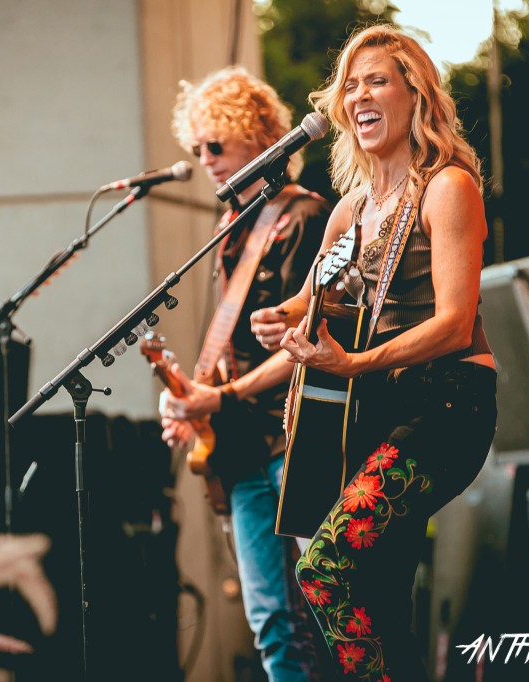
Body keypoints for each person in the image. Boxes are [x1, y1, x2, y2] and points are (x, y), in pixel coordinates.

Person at [249, 25, 498, 681]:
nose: (358, 94)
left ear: (415, 93)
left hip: (447, 406)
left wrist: (353, 363)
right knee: (378, 596)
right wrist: (278, 319)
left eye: (376, 80)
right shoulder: (349, 212)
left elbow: (453, 322)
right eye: (349, 85)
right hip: (376, 412)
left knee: (325, 567)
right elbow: (309, 302)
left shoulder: (448, 187)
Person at [158, 66, 330, 682]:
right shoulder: (230, 229)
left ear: (259, 135)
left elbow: (310, 345)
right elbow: (232, 348)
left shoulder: (304, 218)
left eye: (216, 145)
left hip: (298, 438)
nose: (204, 160)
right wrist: (191, 398)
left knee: (336, 614)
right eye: (196, 148)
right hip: (243, 445)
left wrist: (218, 395)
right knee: (271, 622)